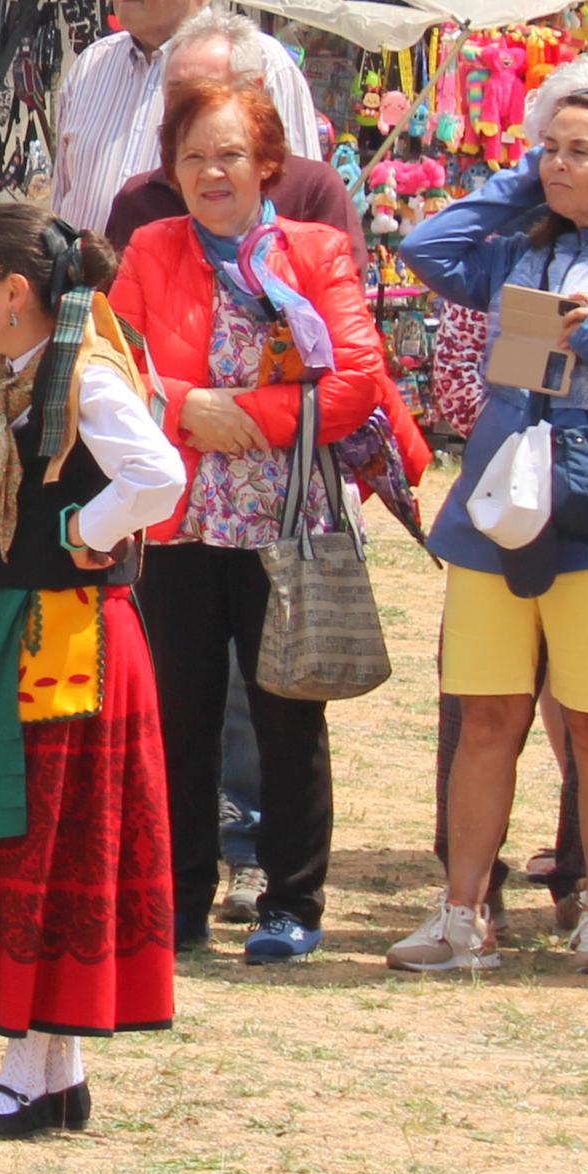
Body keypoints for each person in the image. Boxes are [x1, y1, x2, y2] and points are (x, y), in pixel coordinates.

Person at [388, 66, 588, 974]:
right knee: (485, 713)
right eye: (548, 148)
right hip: (498, 510)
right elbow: (425, 247)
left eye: (580, 151)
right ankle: (462, 913)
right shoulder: (516, 254)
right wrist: (522, 183)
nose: (559, 163)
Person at [0, 201, 185, 1137]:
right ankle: (51, 1075)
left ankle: (29, 1075)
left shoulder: (83, 377)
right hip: (14, 626)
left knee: (46, 841)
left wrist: (84, 530)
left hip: (66, 637)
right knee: (23, 834)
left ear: (15, 292)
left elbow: (157, 475)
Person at [111, 79, 387, 964]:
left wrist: (246, 415)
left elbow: (354, 381)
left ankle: (290, 900)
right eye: (192, 155)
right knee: (179, 717)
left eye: (229, 153)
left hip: (283, 517)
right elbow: (112, 365)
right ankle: (178, 897)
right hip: (180, 519)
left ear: (266, 162)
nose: (210, 172)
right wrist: (185, 406)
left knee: (286, 717)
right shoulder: (151, 247)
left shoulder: (314, 250)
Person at [48, 0, 328, 236]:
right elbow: (63, 191)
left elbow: (298, 195)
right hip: (92, 267)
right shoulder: (91, 65)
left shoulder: (259, 60)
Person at [95, 9, 369, 264]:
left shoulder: (312, 191)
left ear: (254, 91)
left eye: (205, 92)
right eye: (176, 92)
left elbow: (340, 292)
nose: (186, 109)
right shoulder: (139, 200)